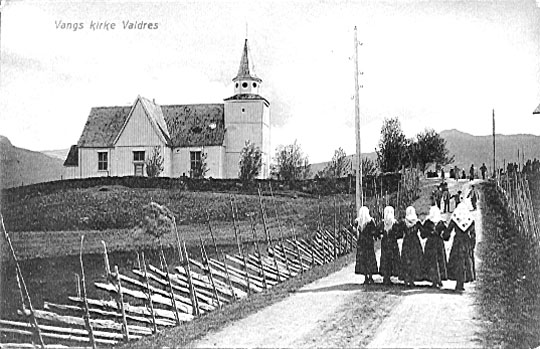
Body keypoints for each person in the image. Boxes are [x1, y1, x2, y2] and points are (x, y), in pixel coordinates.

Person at [442, 203, 476, 291]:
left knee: (457, 261)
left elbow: (448, 231)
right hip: (466, 242)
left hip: (458, 241)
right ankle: (463, 282)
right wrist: (472, 245)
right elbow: (473, 235)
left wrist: (445, 236)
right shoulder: (470, 220)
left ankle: (459, 283)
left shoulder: (455, 218)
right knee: (466, 261)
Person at [395, 206, 424, 287]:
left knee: (406, 259)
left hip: (407, 242)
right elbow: (422, 233)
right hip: (415, 242)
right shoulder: (417, 222)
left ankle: (406, 278)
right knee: (414, 260)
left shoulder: (404, 222)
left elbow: (399, 234)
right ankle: (412, 279)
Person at [421, 206, 448, 288]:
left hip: (430, 244)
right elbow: (447, 236)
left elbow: (423, 235)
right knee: (439, 260)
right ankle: (438, 279)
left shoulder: (427, 222)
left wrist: (429, 232)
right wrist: (441, 234)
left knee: (431, 261)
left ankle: (434, 279)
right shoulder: (441, 223)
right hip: (439, 243)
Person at [354, 206, 379, 284]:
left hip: (361, 243)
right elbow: (374, 231)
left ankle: (365, 277)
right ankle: (370, 277)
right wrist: (376, 237)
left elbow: (354, 230)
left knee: (363, 259)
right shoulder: (370, 221)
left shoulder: (357, 221)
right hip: (369, 243)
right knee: (370, 259)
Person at [378, 206, 401, 285]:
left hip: (385, 243)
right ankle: (391, 274)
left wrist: (382, 235)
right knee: (392, 258)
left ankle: (386, 276)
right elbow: (399, 234)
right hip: (393, 243)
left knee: (385, 258)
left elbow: (378, 232)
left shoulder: (382, 223)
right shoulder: (395, 223)